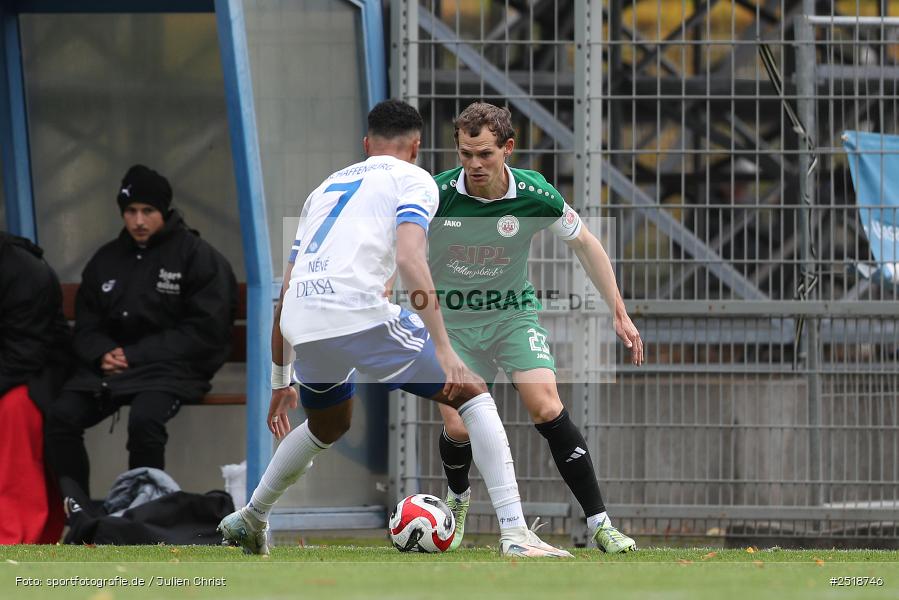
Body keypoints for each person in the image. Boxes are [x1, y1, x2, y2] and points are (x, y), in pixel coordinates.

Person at [217, 99, 571, 558]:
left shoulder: (324, 188)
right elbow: (409, 259)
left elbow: (287, 292)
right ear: (417, 147)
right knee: (472, 391)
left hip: (303, 318)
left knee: (327, 424)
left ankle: (251, 517)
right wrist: (444, 348)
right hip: (358, 311)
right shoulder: (414, 180)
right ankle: (515, 534)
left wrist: (280, 380)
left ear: (367, 144)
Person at [428, 102, 643, 553]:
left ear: (508, 148)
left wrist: (618, 311)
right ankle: (459, 500)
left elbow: (586, 243)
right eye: (465, 154)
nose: (474, 165)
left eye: (484, 153)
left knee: (546, 406)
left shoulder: (535, 194)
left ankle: (601, 524)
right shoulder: (436, 195)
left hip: (511, 317)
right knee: (460, 428)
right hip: (454, 326)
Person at [45, 165, 238, 499]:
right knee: (61, 416)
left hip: (171, 371)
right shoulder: (107, 258)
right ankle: (77, 512)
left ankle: (143, 512)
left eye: (147, 211)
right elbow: (86, 325)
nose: (138, 221)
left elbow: (206, 331)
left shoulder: (196, 256)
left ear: (163, 211)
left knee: (144, 421)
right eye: (130, 211)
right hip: (109, 373)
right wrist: (102, 352)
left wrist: (135, 355)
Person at [0, 232, 69, 544]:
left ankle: (14, 535)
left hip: (38, 374)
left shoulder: (24, 271)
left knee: (15, 409)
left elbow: (24, 354)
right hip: (16, 366)